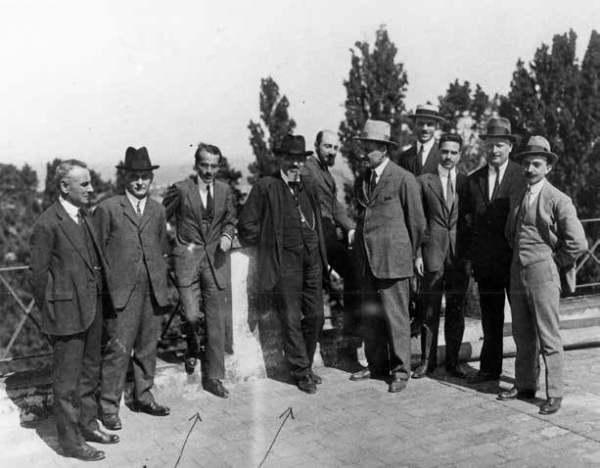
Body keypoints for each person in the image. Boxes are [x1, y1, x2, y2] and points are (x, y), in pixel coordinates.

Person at [30, 160, 117, 461]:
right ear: (65, 187)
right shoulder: (47, 223)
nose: (91, 189)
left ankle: (88, 426)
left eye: (90, 183)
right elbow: (37, 277)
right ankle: (71, 443)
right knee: (66, 384)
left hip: (92, 310)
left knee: (90, 374)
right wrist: (53, 311)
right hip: (66, 315)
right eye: (85, 184)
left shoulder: (85, 216)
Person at [498, 136, 587, 414]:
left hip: (543, 273)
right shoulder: (518, 195)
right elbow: (510, 232)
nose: (530, 169)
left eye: (536, 164)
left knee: (548, 335)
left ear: (548, 167)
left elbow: (578, 243)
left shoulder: (559, 199)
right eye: (526, 164)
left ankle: (555, 393)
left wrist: (554, 262)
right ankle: (525, 384)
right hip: (517, 271)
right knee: (522, 333)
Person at [238, 134, 328, 394]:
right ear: (281, 159)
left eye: (299, 160)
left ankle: (305, 364)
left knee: (316, 315)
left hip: (312, 259)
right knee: (290, 317)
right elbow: (247, 224)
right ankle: (301, 371)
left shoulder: (308, 185)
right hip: (284, 261)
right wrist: (266, 243)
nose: (295, 165)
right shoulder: (266, 186)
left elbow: (318, 219)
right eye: (290, 159)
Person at [94, 147, 171, 431]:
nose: (140, 182)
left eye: (145, 177)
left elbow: (161, 246)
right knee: (118, 351)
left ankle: (144, 397)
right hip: (121, 294)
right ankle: (108, 407)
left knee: (147, 347)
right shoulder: (108, 208)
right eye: (135, 176)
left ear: (151, 178)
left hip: (153, 290)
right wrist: (106, 291)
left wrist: (159, 280)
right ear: (125, 177)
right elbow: (97, 253)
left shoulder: (158, 209)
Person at [349, 120, 425, 393]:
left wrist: (412, 255)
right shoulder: (362, 180)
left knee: (396, 318)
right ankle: (376, 365)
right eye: (363, 147)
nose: (364, 153)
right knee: (371, 317)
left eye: (369, 148)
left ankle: (401, 372)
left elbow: (417, 223)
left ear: (383, 149)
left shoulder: (403, 179)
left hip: (394, 262)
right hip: (368, 261)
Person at [163, 143, 236, 398]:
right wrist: (171, 247)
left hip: (216, 262)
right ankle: (193, 347)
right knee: (192, 316)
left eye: (214, 166)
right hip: (187, 261)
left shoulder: (225, 190)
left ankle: (214, 377)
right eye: (204, 165)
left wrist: (228, 235)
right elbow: (159, 218)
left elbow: (230, 220)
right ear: (196, 165)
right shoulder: (181, 189)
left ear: (219, 167)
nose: (208, 171)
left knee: (216, 320)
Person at [463, 117, 527, 384]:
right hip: (487, 264)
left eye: (500, 145)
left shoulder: (523, 176)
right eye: (490, 145)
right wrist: (472, 260)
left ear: (510, 146)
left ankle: (526, 376)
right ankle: (489, 370)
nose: (494, 150)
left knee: (522, 319)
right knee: (491, 319)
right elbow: (467, 224)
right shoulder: (473, 180)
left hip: (514, 262)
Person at [301, 130, 362, 371]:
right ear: (316, 145)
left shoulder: (324, 172)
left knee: (354, 271)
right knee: (317, 288)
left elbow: (335, 206)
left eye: (335, 148)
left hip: (328, 233)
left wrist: (351, 228)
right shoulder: (307, 170)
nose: (332, 152)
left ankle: (352, 332)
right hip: (315, 235)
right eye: (327, 146)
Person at [413, 133, 469, 379]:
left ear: (460, 155)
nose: (448, 157)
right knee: (429, 309)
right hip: (432, 253)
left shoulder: (466, 182)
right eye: (444, 151)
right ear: (438, 152)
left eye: (453, 152)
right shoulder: (424, 181)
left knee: (456, 309)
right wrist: (418, 254)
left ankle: (453, 362)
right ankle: (427, 361)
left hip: (458, 256)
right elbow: (417, 222)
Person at [395, 103, 446, 176]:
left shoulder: (443, 155)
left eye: (430, 124)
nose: (425, 128)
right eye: (420, 124)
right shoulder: (405, 156)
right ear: (414, 124)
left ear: (436, 126)